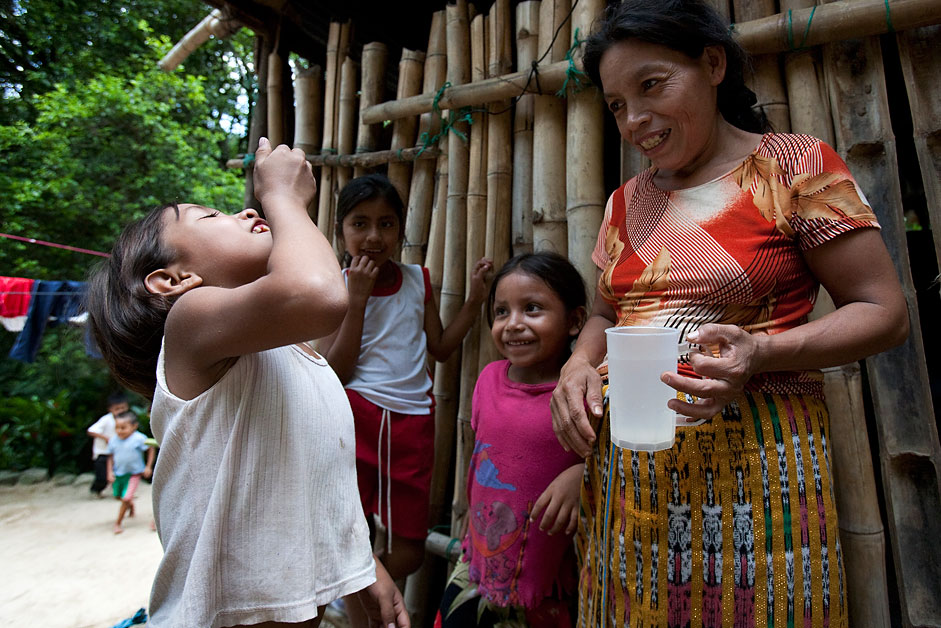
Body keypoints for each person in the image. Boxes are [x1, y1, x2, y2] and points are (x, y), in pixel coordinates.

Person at [549, 1, 909, 626]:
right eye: (615, 104)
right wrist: (579, 363)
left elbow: (883, 311)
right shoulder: (624, 204)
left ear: (713, 63)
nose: (634, 119)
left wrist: (764, 351)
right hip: (628, 482)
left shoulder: (794, 168)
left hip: (759, 477)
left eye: (651, 85)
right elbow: (608, 314)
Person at [85, 138, 409, 628]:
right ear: (173, 280)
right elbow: (320, 292)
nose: (242, 210)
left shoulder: (291, 355)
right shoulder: (190, 323)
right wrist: (280, 196)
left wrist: (364, 565)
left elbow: (316, 474)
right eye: (211, 217)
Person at [319, 172, 492, 621]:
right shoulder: (334, 285)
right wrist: (355, 300)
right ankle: (353, 598)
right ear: (341, 230)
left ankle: (345, 586)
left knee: (409, 552)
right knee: (352, 534)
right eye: (360, 223)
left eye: (387, 223)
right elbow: (333, 371)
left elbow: (440, 347)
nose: (374, 236)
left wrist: (474, 301)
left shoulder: (418, 280)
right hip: (355, 416)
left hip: (412, 421)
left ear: (400, 229)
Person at [436, 252, 588, 628]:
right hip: (475, 566)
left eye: (532, 309)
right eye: (502, 312)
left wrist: (583, 474)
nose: (513, 324)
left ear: (574, 321)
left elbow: (612, 461)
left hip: (549, 584)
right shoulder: (488, 379)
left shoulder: (582, 395)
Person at [106, 410, 154, 534]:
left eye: (123, 427)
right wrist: (109, 472)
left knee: (125, 498)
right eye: (117, 428)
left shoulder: (139, 438)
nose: (120, 431)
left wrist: (148, 466)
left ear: (134, 426)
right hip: (119, 473)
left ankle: (118, 523)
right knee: (119, 496)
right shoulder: (113, 441)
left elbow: (151, 448)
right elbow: (110, 457)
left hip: (134, 474)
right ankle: (130, 504)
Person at [86, 391, 128, 497]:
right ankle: (96, 490)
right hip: (102, 453)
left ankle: (122, 492)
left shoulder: (126, 419)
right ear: (110, 409)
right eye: (117, 409)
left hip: (116, 453)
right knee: (102, 476)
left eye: (122, 408)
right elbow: (91, 431)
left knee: (121, 473)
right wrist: (106, 438)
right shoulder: (106, 420)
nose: (120, 411)